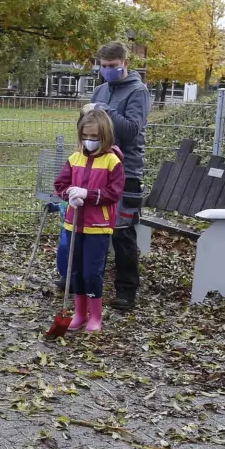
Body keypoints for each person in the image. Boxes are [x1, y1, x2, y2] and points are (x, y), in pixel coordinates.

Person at [87, 41, 150, 312]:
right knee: (94, 228)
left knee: (122, 233)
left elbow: (132, 130)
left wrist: (104, 110)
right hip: (97, 166)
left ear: (125, 63)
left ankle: (127, 290)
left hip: (126, 171)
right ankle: (91, 282)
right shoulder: (100, 89)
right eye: (103, 66)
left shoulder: (138, 91)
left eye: (112, 66)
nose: (107, 71)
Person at [52, 107, 125, 333]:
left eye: (94, 137)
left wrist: (89, 195)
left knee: (92, 272)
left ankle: (95, 316)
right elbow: (60, 185)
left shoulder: (113, 162)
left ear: (105, 136)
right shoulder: (75, 158)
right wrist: (70, 195)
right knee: (75, 270)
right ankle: (79, 313)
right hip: (74, 223)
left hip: (98, 227)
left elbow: (114, 193)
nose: (89, 141)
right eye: (85, 136)